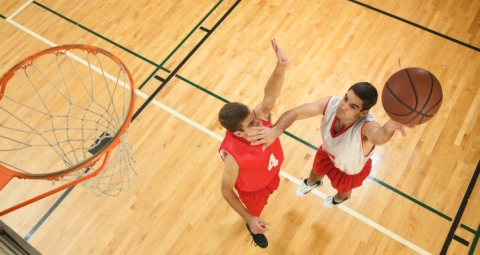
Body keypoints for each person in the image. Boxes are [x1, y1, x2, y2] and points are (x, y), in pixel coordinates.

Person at [247, 82, 411, 207]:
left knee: (342, 192)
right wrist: (277, 129)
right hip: (327, 153)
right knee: (314, 173)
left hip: (350, 171)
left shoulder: (366, 126)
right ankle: (312, 183)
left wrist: (389, 127)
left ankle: (340, 199)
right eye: (346, 98)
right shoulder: (332, 104)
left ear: (363, 112)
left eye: (352, 106)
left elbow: (377, 137)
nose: (343, 106)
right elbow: (296, 112)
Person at [218, 38, 290, 248]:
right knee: (255, 213)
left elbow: (270, 95)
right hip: (254, 191)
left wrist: (281, 67)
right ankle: (252, 225)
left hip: (271, 176)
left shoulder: (259, 118)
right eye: (251, 123)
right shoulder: (233, 155)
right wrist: (249, 218)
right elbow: (226, 190)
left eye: (254, 115)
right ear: (239, 134)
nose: (259, 121)